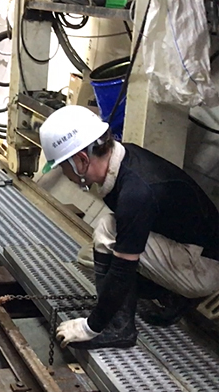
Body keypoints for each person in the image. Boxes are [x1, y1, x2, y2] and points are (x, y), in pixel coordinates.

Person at [39, 105, 219, 349]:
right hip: (189, 247)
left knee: (107, 233)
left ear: (81, 160)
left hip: (204, 268)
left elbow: (124, 269)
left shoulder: (137, 192)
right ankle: (170, 295)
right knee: (99, 245)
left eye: (63, 166)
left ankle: (119, 329)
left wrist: (90, 326)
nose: (64, 172)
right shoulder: (123, 161)